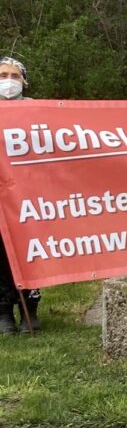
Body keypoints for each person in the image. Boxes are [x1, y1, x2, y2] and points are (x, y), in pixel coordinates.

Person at [0, 57, 42, 334]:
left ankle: (31, 305)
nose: (9, 80)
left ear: (24, 81)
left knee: (33, 249)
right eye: (4, 74)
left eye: (15, 76)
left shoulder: (36, 110)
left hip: (30, 193)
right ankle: (4, 310)